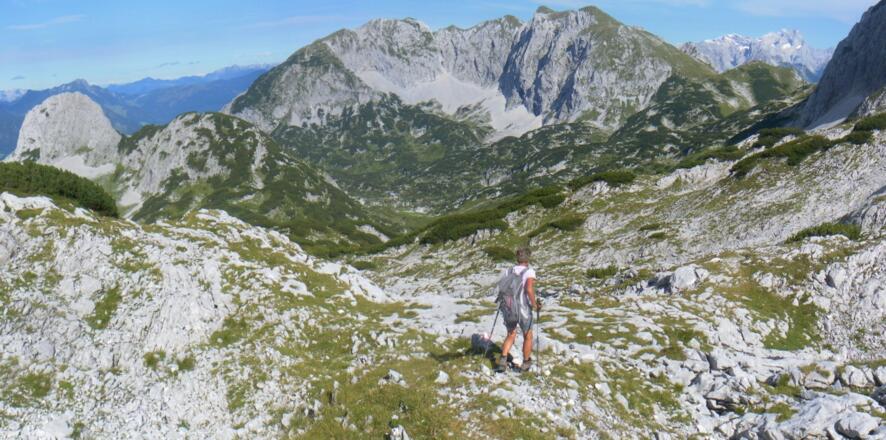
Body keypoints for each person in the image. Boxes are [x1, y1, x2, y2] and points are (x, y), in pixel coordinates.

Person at [497, 247, 540, 372]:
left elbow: (502, 287)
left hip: (508, 307)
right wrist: (534, 304)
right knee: (528, 335)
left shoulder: (508, 271)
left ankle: (503, 360)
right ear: (528, 258)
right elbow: (529, 289)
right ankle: (526, 362)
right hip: (523, 308)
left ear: (517, 258)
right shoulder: (529, 271)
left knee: (511, 334)